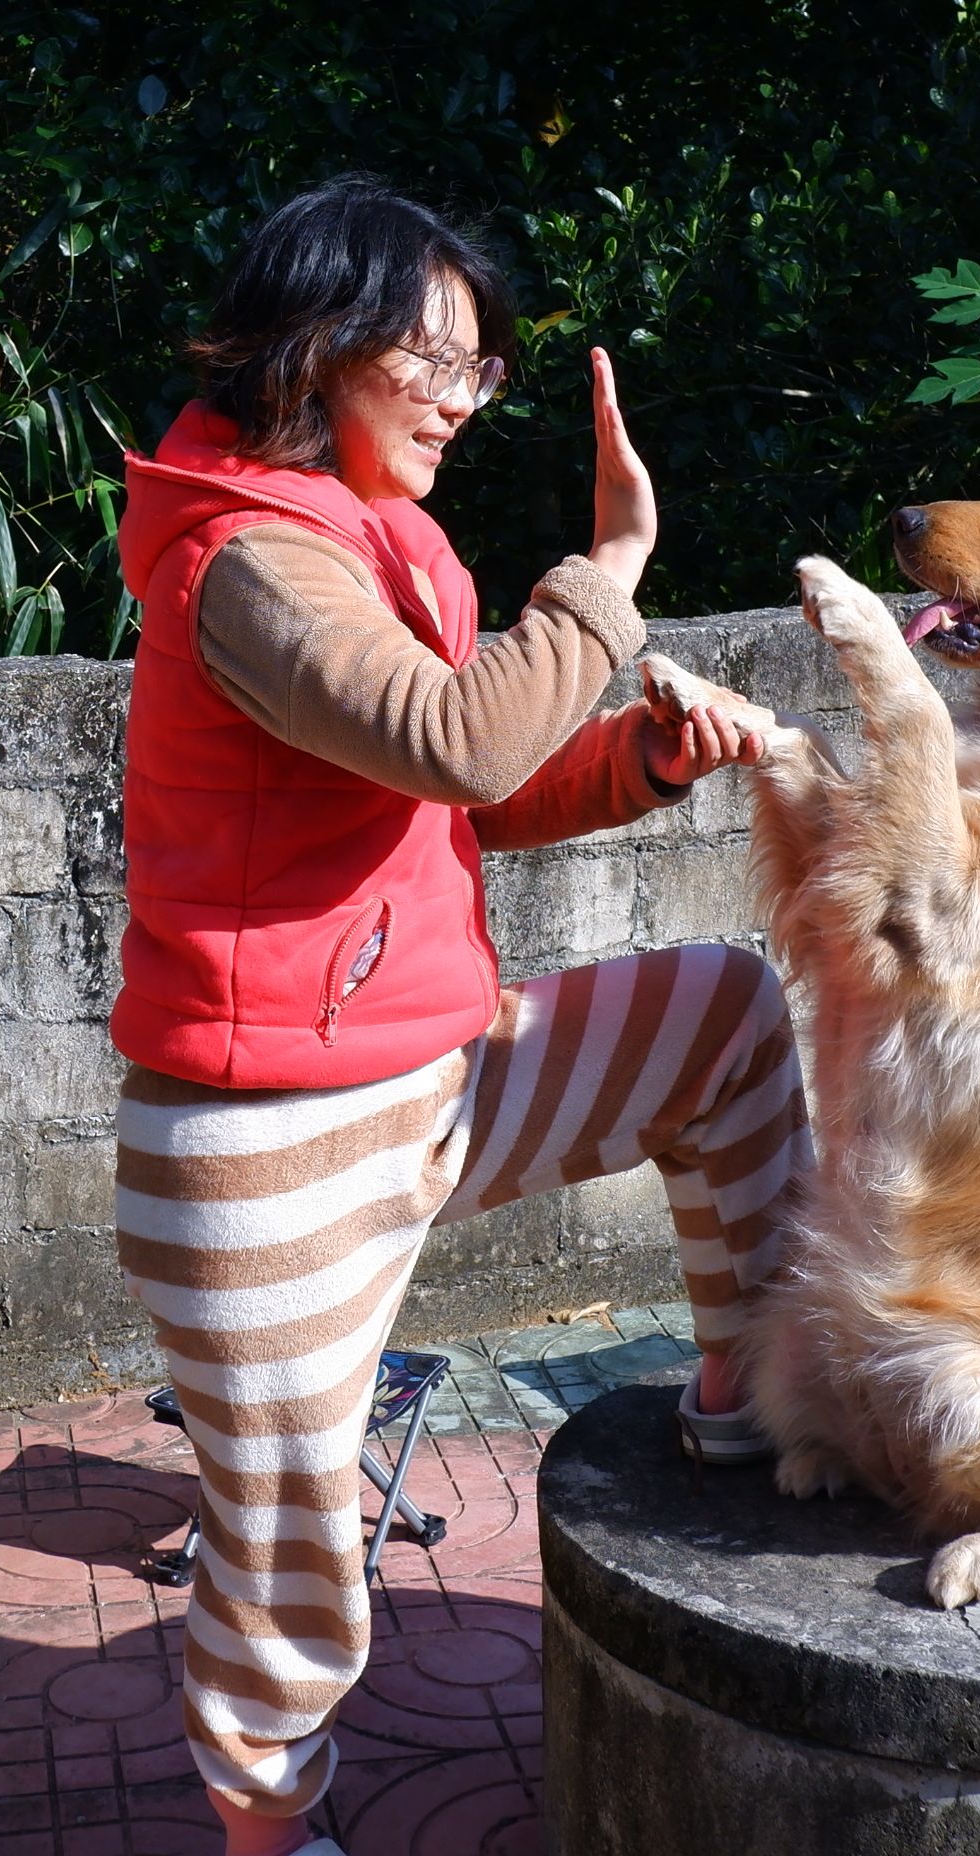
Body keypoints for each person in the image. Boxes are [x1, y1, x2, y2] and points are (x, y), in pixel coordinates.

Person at [111, 173, 802, 1855]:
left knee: (723, 1017)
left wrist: (639, 755)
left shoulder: (373, 535)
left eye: (478, 370)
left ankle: (744, 1400)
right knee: (288, 1555)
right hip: (264, 1144)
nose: (455, 397)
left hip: (438, 1073)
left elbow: (463, 798)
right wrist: (609, 572)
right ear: (315, 344)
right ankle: (271, 1838)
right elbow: (458, 742)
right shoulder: (248, 557)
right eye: (429, 359)